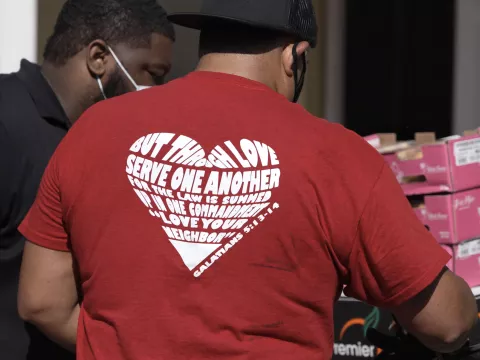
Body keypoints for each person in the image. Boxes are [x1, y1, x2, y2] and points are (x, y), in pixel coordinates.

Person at [16, 0, 477, 359]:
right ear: (295, 57)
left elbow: (41, 302)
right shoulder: (336, 156)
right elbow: (448, 322)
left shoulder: (92, 131)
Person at [0, 1, 174, 359]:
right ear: (99, 58)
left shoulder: (107, 141)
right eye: (153, 73)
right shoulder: (7, 121)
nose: (159, 91)